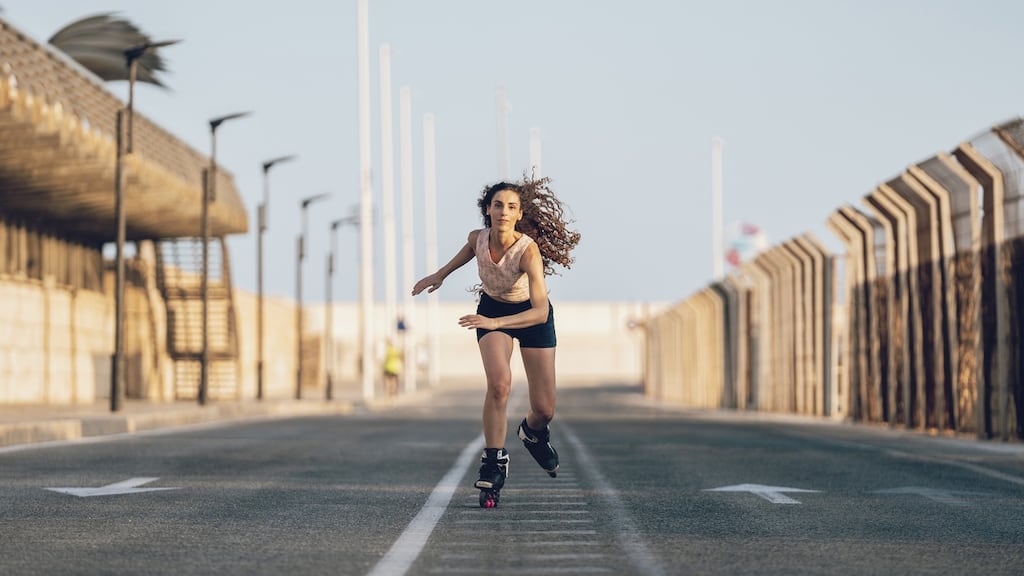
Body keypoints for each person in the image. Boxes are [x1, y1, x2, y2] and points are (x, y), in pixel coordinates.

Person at [412, 176, 580, 508]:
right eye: (498, 205)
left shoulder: (527, 251)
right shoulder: (479, 238)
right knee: (499, 384)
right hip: (492, 311)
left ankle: (532, 433)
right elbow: (467, 254)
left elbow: (539, 310)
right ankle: (493, 460)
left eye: (512, 207)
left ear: (519, 215)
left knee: (545, 408)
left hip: (530, 318)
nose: (504, 211)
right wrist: (439, 275)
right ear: (487, 209)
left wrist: (496, 323)